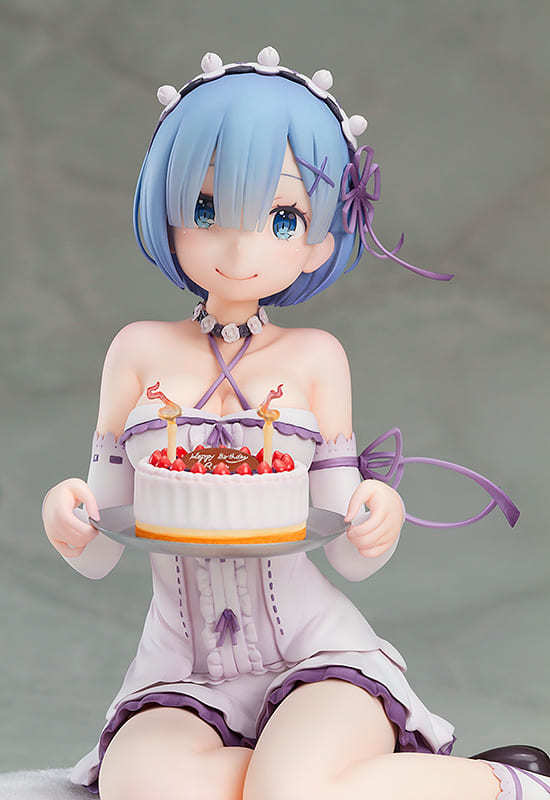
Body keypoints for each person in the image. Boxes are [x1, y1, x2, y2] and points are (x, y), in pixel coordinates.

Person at [42, 48, 549, 800]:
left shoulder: (315, 359)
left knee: (290, 789)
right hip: (179, 674)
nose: (239, 249)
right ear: (165, 208)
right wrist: (67, 519)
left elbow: (345, 552)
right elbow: (105, 537)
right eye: (207, 211)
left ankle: (506, 787)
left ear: (318, 242)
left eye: (281, 219)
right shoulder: (137, 351)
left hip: (317, 659)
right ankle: (413, 785)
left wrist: (376, 517)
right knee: (143, 787)